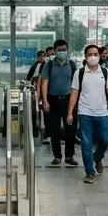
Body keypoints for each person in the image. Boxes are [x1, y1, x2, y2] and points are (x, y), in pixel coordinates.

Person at [67, 43, 108, 183]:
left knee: (105, 140)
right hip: (85, 113)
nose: (93, 57)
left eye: (96, 54)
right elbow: (74, 93)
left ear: (100, 56)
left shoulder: (106, 72)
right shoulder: (80, 73)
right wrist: (70, 113)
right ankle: (89, 172)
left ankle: (97, 157)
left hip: (102, 113)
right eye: (90, 55)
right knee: (86, 143)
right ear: (85, 57)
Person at [40, 39, 78, 167]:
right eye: (59, 50)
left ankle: (69, 156)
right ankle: (57, 156)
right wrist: (44, 101)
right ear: (55, 51)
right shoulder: (49, 65)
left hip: (68, 100)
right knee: (54, 130)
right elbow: (44, 83)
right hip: (52, 100)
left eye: (64, 50)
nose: (62, 52)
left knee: (70, 129)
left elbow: (75, 85)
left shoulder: (72, 65)